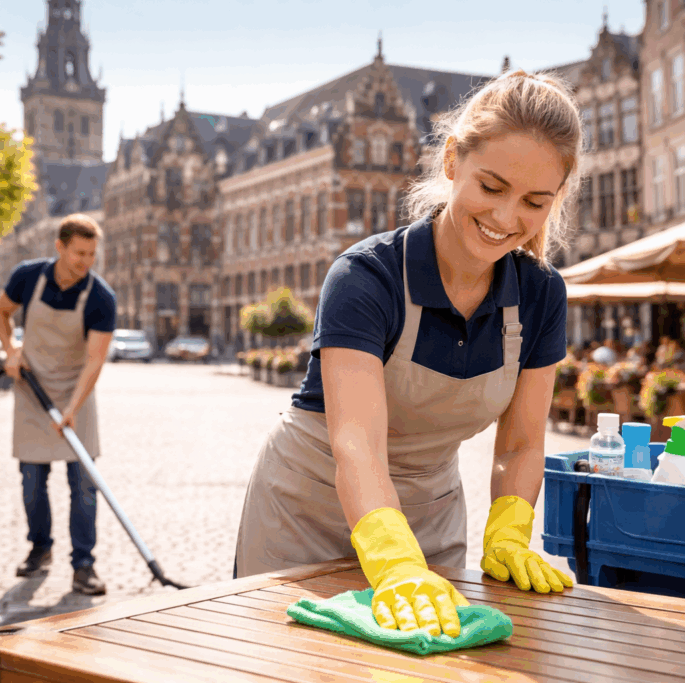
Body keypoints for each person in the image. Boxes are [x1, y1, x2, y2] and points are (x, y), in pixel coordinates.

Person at [234, 69, 579, 638]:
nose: (505, 218)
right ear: (451, 163)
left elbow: (521, 443)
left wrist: (511, 532)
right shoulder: (366, 276)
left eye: (534, 201)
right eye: (491, 188)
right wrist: (394, 562)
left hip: (429, 517)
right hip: (307, 511)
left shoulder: (541, 293)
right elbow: (357, 442)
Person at [0, 214, 116, 595]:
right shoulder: (28, 276)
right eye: (79, 253)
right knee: (32, 482)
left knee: (83, 484)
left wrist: (72, 409)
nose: (85, 261)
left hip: (76, 393)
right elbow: (0, 313)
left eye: (91, 254)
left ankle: (84, 565)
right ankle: (39, 548)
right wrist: (11, 350)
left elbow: (95, 359)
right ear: (59, 247)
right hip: (32, 391)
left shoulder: (100, 297)